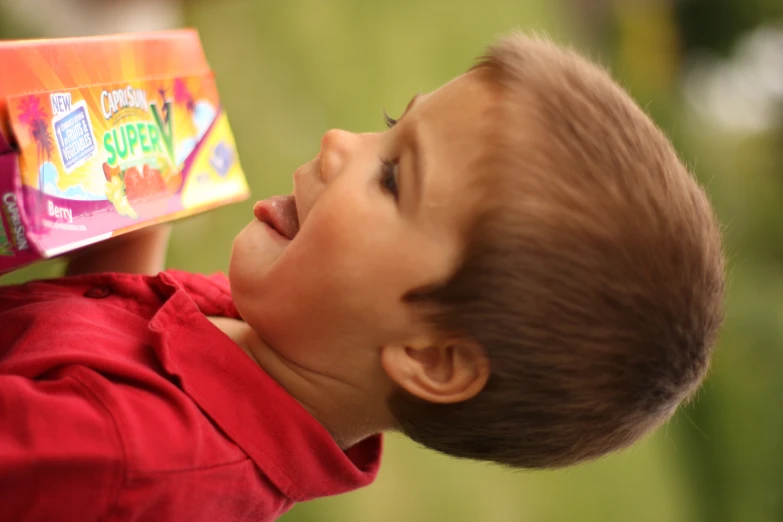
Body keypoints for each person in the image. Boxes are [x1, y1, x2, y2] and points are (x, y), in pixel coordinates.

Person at [0, 32, 725, 521]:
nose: (338, 142)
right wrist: (130, 207)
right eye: (387, 121)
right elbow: (97, 330)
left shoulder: (131, 454)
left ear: (429, 357)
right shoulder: (260, 336)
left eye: (392, 175)